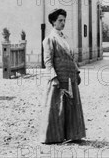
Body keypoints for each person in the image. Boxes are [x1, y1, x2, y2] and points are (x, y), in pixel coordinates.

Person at [40, 9, 86, 144]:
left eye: (64, 20)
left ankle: (73, 134)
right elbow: (48, 61)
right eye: (60, 20)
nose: (63, 23)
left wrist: (76, 72)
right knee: (56, 106)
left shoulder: (65, 38)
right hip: (58, 77)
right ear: (53, 22)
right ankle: (53, 136)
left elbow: (71, 58)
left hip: (70, 76)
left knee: (71, 105)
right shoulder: (49, 39)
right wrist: (53, 77)